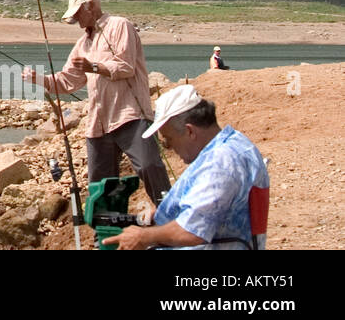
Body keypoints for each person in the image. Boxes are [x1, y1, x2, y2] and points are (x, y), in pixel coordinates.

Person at [22, 0, 171, 205]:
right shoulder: (82, 44)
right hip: (98, 125)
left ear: (90, 6)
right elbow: (67, 81)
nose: (76, 21)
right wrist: (39, 79)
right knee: (100, 187)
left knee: (149, 167)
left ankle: (172, 217)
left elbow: (126, 66)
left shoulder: (120, 26)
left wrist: (93, 66)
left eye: (77, 14)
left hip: (130, 115)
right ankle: (106, 236)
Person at [105, 85, 269, 249]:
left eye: (169, 140)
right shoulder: (233, 143)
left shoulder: (222, 162)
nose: (170, 147)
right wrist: (158, 215)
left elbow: (192, 231)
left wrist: (144, 236)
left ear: (189, 131)